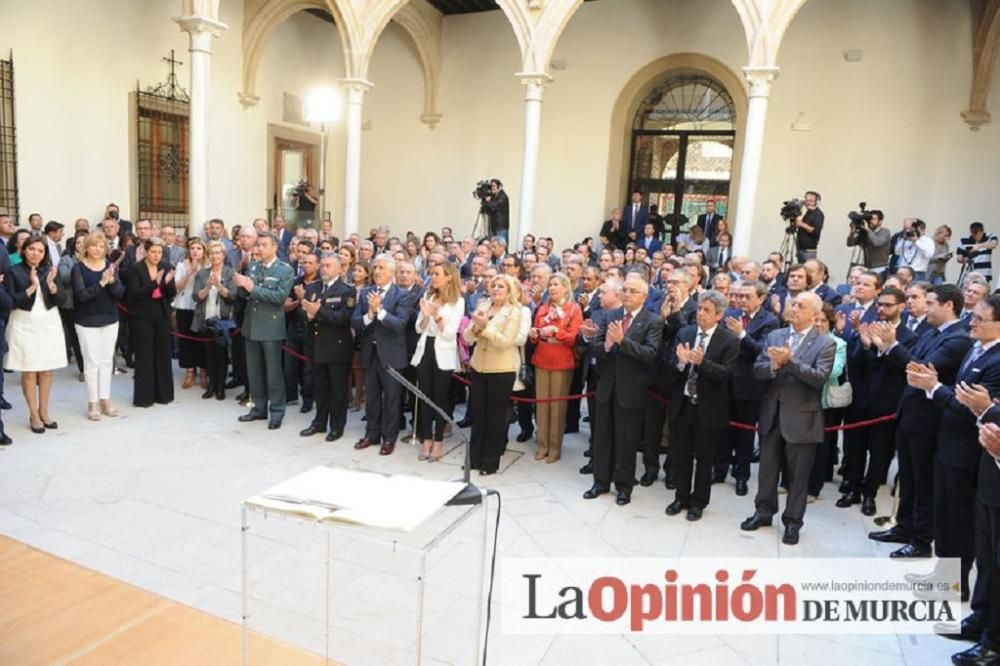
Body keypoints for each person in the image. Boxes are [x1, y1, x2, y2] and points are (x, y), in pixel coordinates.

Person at [906, 295, 1000, 606]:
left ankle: (956, 583)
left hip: (967, 453)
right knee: (943, 516)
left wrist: (934, 388)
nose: (971, 323)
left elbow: (974, 409)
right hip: (947, 444)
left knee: (961, 522)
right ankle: (943, 574)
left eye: (979, 320)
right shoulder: (976, 349)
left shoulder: (997, 361)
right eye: (973, 317)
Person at [867, 284, 972, 557]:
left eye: (932, 302)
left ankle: (922, 540)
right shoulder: (929, 332)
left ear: (949, 305)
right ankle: (904, 526)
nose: (927, 308)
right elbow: (909, 363)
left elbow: (920, 369)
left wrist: (892, 346)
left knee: (924, 485)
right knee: (909, 481)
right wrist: (889, 348)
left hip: (929, 422)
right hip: (909, 415)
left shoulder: (958, 339)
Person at [741, 292, 836, 545]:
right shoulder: (776, 336)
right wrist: (773, 366)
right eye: (792, 303)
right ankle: (763, 512)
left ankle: (792, 523)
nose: (793, 308)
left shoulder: (825, 343)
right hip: (772, 414)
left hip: (802, 419)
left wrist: (788, 361)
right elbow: (758, 370)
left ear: (814, 314)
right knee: (767, 471)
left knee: (798, 477)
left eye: (800, 305)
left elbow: (819, 378)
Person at [582, 275, 661, 505]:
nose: (627, 294)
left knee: (626, 441)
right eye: (625, 290)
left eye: (633, 291)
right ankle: (600, 482)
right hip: (606, 386)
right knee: (602, 437)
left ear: (644, 297)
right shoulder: (610, 315)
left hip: (632, 390)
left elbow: (649, 354)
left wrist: (622, 341)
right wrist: (605, 345)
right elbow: (595, 348)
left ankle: (624, 486)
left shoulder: (652, 321)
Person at [837, 286, 916, 514]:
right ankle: (852, 487)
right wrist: (863, 344)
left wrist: (885, 348)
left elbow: (904, 368)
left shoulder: (909, 338)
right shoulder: (869, 328)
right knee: (855, 448)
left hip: (887, 404)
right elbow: (855, 363)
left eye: (887, 305)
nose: (881, 308)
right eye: (879, 304)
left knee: (879, 452)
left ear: (901, 307)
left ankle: (869, 493)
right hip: (861, 400)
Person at [664, 290, 739, 521]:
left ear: (719, 315)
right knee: (681, 455)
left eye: (707, 311)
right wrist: (680, 363)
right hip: (683, 404)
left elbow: (726, 373)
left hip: (709, 409)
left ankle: (698, 502)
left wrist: (701, 363)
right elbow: (669, 366)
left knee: (704, 460)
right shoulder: (685, 332)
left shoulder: (729, 340)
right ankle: (681, 497)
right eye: (699, 309)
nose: (701, 314)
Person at [351, 254, 419, 455]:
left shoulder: (402, 295)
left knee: (391, 399)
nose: (377, 271)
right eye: (375, 267)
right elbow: (354, 321)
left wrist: (379, 310)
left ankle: (389, 438)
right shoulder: (365, 293)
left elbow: (399, 324)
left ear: (392, 272)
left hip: (392, 356)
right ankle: (372, 433)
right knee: (371, 397)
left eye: (381, 267)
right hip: (370, 354)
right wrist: (369, 315)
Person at [717, 280, 780, 495]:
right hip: (726, 382)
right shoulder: (730, 315)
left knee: (744, 435)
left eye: (747, 296)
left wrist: (742, 335)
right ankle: (720, 469)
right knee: (723, 430)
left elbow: (763, 350)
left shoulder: (769, 321)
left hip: (751, 386)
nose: (741, 300)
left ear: (761, 298)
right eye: (740, 296)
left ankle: (741, 475)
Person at [232, 233, 295, 430]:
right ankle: (258, 408)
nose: (259, 248)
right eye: (258, 245)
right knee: (255, 371)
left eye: (264, 245)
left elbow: (280, 297)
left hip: (270, 327)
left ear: (275, 247)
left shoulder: (285, 270)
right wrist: (241, 286)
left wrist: (252, 288)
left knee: (273, 373)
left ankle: (276, 411)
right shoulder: (254, 266)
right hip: (251, 325)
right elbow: (245, 295)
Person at [6, 237, 68, 432]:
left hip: (49, 322)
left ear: (45, 253)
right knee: (30, 370)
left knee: (47, 370)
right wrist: (32, 287)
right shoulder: (13, 271)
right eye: (31, 249)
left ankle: (44, 411)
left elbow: (62, 299)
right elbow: (11, 301)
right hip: (24, 323)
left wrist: (51, 285)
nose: (36, 253)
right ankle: (33, 414)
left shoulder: (50, 270)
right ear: (24, 250)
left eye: (40, 251)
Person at [463, 275, 523, 475]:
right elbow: (467, 337)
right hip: (479, 366)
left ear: (509, 291)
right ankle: (474, 458)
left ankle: (490, 462)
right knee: (478, 415)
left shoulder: (514, 312)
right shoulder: (484, 305)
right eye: (494, 286)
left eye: (501, 286)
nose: (496, 289)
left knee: (495, 417)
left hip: (501, 369)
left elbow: (506, 341)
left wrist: (485, 327)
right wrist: (476, 328)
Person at [410, 262, 464, 461]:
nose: (433, 276)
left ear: (449, 277)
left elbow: (450, 334)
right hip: (426, 349)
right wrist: (425, 317)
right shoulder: (428, 296)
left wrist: (436, 315)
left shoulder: (458, 301)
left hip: (443, 351)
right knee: (424, 396)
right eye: (432, 273)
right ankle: (426, 440)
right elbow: (418, 328)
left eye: (437, 273)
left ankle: (439, 440)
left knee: (440, 397)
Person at [299, 255, 355, 442]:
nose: (323, 269)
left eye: (328, 266)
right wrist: (308, 315)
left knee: (337, 390)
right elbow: (305, 313)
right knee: (320, 388)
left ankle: (337, 426)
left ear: (339, 269)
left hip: (336, 348)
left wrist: (318, 311)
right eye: (322, 265)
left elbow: (344, 319)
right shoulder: (313, 288)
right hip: (315, 345)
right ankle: (319, 422)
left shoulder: (347, 291)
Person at [529, 272, 583, 464]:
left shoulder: (573, 309)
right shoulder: (543, 308)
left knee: (557, 406)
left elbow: (573, 338)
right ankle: (541, 445)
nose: (552, 288)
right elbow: (534, 335)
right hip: (542, 358)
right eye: (550, 284)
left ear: (565, 288)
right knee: (541, 405)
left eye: (556, 284)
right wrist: (534, 333)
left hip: (562, 360)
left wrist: (556, 331)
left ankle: (554, 447)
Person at [71, 232, 125, 419]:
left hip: (110, 319)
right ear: (86, 247)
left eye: (101, 246)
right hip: (87, 321)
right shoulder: (78, 268)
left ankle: (105, 400)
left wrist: (111, 282)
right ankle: (92, 403)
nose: (98, 249)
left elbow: (119, 293)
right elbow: (82, 296)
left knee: (106, 361)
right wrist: (102, 283)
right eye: (94, 245)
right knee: (91, 362)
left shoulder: (110, 266)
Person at [123, 239, 176, 408]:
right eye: (153, 252)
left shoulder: (166, 267)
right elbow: (134, 294)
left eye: (159, 252)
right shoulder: (135, 269)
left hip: (161, 315)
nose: (156, 256)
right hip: (142, 316)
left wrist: (166, 283)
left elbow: (171, 294)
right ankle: (144, 398)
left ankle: (164, 395)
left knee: (163, 354)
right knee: (144, 356)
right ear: (146, 251)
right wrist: (154, 283)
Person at [809, 302, 847, 501]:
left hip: (824, 402)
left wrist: (806, 367)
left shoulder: (838, 344)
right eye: (815, 319)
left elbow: (834, 371)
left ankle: (813, 489)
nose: (818, 324)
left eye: (823, 320)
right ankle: (788, 482)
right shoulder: (803, 339)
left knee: (820, 447)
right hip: (800, 399)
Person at [192, 241, 237, 400]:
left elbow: (233, 297)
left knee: (222, 354)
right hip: (205, 318)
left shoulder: (230, 272)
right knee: (209, 354)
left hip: (223, 320)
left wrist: (219, 287)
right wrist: (207, 287)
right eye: (211, 253)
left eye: (218, 252)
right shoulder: (202, 273)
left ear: (224, 255)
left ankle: (220, 387)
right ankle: (211, 385)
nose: (215, 256)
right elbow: (196, 297)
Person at [283, 252, 319, 412]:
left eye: (310, 263)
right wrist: (299, 300)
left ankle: (308, 399)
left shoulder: (320, 285)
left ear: (317, 265)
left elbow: (318, 308)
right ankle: (290, 396)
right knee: (290, 363)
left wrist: (303, 299)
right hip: (293, 326)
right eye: (304, 262)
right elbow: (285, 306)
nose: (306, 265)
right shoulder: (296, 282)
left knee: (309, 368)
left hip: (311, 328)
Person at [173, 238, 209, 390]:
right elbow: (177, 287)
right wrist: (189, 273)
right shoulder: (181, 265)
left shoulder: (208, 265)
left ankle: (203, 372)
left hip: (201, 307)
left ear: (203, 250)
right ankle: (189, 372)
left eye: (199, 248)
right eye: (192, 248)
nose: (195, 251)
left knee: (202, 339)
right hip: (184, 305)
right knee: (186, 340)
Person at [57, 230, 87, 381]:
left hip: (90, 303)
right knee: (77, 338)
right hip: (72, 305)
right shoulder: (66, 260)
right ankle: (83, 369)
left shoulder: (97, 259)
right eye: (78, 242)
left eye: (84, 242)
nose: (81, 245)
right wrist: (81, 265)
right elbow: (64, 277)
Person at [846, 209, 891, 273]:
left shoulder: (885, 231)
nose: (871, 221)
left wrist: (867, 229)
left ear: (880, 222)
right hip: (867, 267)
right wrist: (852, 231)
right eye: (869, 219)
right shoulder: (866, 233)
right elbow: (850, 243)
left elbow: (877, 243)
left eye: (874, 219)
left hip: (880, 268)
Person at [794, 190, 824, 263]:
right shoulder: (807, 213)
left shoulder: (818, 214)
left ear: (816, 202)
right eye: (806, 200)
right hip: (801, 249)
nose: (808, 203)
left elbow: (815, 231)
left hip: (809, 251)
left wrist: (801, 224)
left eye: (811, 201)